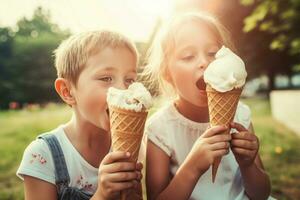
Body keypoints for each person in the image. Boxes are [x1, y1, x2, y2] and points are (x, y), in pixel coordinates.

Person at [143, 12, 272, 200]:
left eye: (212, 53)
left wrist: (248, 164)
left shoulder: (239, 115)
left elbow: (262, 194)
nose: (204, 62)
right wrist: (192, 167)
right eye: (188, 56)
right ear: (167, 73)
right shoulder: (160, 129)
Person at [17, 30, 143, 200]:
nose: (123, 90)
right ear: (67, 91)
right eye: (106, 78)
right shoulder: (42, 156)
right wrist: (102, 195)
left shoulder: (133, 149)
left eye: (130, 80)